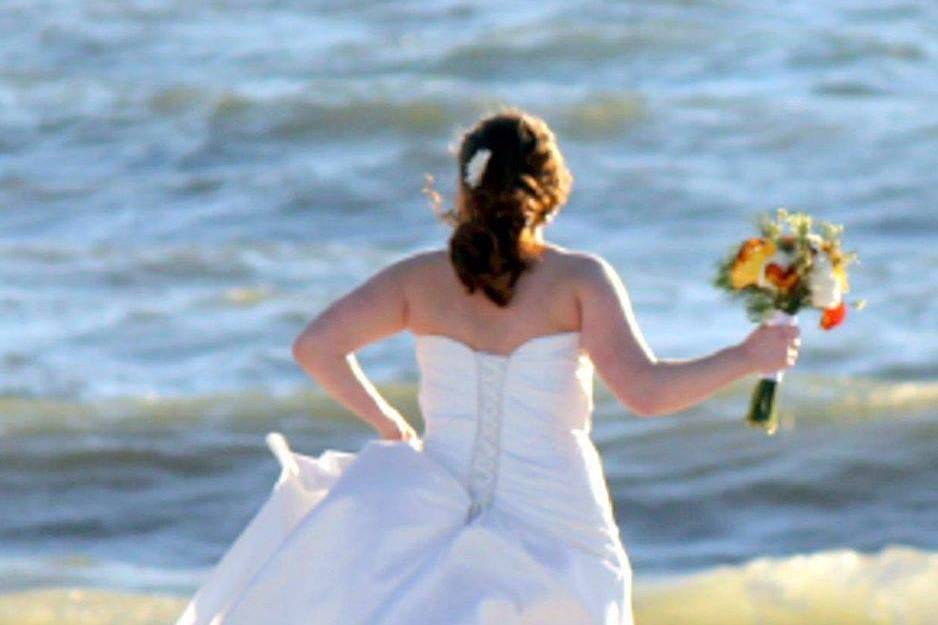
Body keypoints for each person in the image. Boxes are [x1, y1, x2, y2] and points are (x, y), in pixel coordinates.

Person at [174, 107, 800, 625]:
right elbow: (646, 393)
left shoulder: (420, 279)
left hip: (439, 500)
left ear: (466, 187)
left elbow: (315, 346)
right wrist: (747, 356)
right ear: (550, 188)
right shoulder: (579, 279)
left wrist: (390, 425)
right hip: (559, 515)